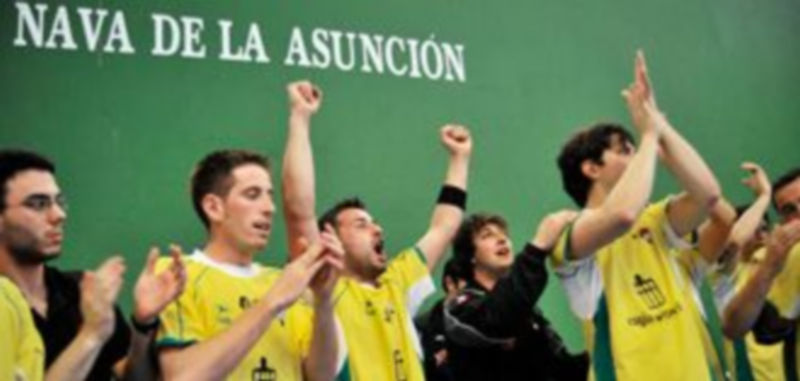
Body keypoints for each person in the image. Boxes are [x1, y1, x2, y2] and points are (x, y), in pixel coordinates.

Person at [281, 80, 472, 380]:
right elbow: (298, 210)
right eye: (361, 224)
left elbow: (444, 226)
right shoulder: (322, 288)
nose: (377, 229)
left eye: (374, 223)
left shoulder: (397, 282)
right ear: (332, 241)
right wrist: (300, 117)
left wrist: (459, 158)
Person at [551, 51, 723, 381]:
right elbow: (622, 214)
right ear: (591, 168)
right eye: (623, 149)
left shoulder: (656, 218)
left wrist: (659, 124)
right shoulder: (568, 235)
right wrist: (646, 135)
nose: (638, 155)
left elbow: (708, 194)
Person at [155, 149, 342, 380]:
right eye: (252, 195)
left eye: (269, 196)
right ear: (214, 207)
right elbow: (183, 376)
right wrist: (272, 302)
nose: (269, 208)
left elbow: (321, 376)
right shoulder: (177, 274)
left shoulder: (282, 280)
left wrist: (323, 300)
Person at [0, 148, 186, 380]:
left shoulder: (82, 290)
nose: (58, 215)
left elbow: (135, 377)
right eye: (38, 204)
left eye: (59, 202)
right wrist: (92, 334)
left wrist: (143, 323)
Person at [444, 210, 589, 380]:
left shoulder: (526, 310)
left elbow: (559, 368)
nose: (502, 239)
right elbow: (498, 319)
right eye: (487, 236)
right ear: (471, 255)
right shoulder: (460, 308)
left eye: (504, 235)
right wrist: (537, 247)